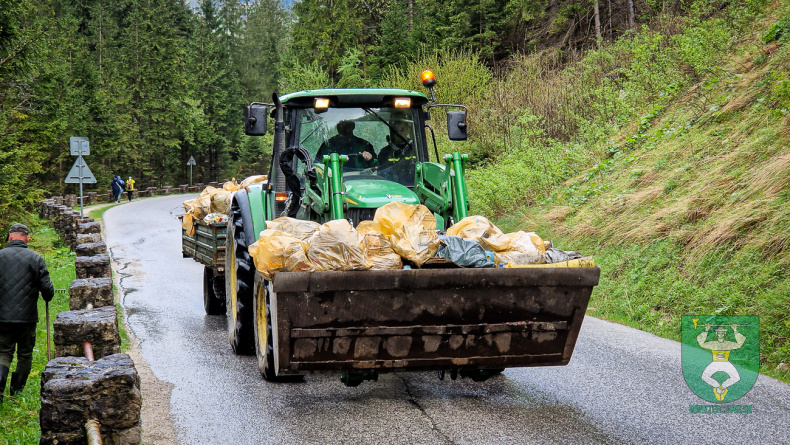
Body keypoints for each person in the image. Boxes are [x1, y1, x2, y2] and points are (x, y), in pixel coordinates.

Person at [0, 223, 55, 402]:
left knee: (3, 352)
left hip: (2, 317)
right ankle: (16, 392)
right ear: (27, 238)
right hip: (27, 317)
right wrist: (47, 295)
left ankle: (0, 389)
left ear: (9, 237)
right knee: (25, 353)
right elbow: (47, 290)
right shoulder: (35, 258)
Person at [377, 117, 417, 183]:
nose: (399, 134)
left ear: (408, 130)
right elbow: (382, 176)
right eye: (396, 131)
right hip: (391, 188)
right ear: (391, 133)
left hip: (413, 187)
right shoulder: (384, 153)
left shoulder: (416, 150)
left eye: (402, 130)